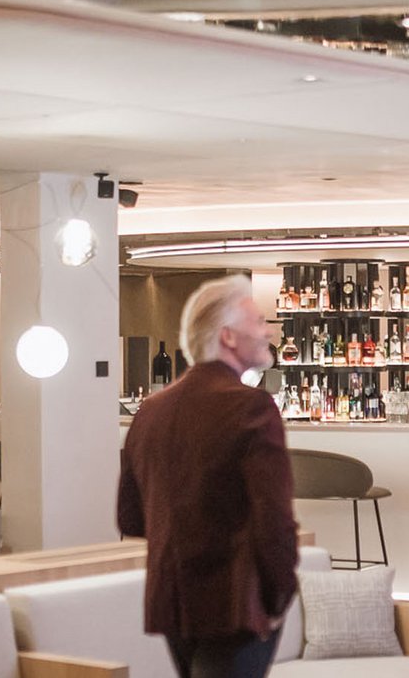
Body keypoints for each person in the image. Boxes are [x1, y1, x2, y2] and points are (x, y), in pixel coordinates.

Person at [118, 275, 299, 678]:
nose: (268, 331)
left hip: (173, 599)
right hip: (235, 601)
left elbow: (130, 518)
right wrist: (279, 597)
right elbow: (275, 521)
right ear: (229, 336)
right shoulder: (253, 408)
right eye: (258, 322)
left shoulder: (150, 411)